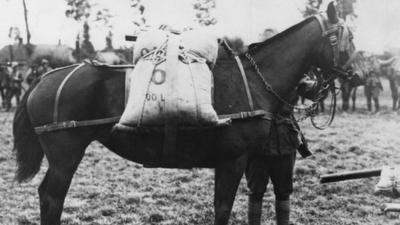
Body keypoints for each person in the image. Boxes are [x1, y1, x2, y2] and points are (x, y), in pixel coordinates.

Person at [246, 75, 318, 225]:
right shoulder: (253, 68)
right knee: (256, 191)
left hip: (284, 141)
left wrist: (324, 77)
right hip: (257, 141)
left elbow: (314, 91)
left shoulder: (293, 70)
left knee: (283, 191)